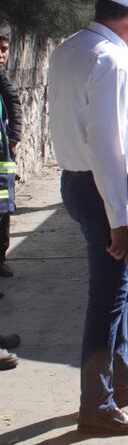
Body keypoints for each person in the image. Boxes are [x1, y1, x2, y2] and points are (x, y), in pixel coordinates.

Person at [48, 0, 128, 435]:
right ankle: (95, 406)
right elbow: (107, 145)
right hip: (106, 189)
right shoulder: (111, 61)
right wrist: (120, 219)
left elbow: (86, 110)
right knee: (110, 296)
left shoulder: (74, 48)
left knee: (120, 287)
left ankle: (122, 376)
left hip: (79, 183)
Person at [0, 29, 22, 278]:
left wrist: (14, 139)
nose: (1, 55)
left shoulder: (4, 81)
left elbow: (14, 105)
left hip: (3, 160)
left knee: (4, 209)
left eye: (4, 49)